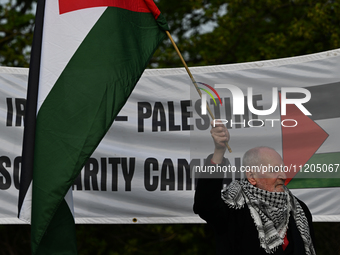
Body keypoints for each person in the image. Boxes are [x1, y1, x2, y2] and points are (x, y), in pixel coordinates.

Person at [193, 121, 316, 255]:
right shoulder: (234, 208)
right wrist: (219, 151)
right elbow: (205, 205)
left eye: (283, 169)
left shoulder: (299, 209)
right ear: (252, 176)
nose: (283, 176)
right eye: (275, 170)